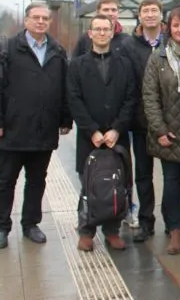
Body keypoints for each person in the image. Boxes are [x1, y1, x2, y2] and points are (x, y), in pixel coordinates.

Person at [0, 2, 72, 249]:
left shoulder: (57, 51)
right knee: (5, 180)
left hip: (44, 129)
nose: (41, 22)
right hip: (12, 129)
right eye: (36, 18)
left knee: (37, 180)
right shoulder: (7, 49)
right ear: (26, 20)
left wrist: (65, 119)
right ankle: (1, 227)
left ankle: (30, 224)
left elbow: (65, 88)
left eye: (45, 18)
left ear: (50, 22)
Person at [67, 14, 136, 251]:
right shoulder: (77, 65)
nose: (102, 33)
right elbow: (74, 100)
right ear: (90, 33)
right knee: (89, 184)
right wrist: (92, 130)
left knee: (117, 183)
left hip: (117, 137)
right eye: (97, 29)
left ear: (112, 32)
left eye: (106, 29)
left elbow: (130, 98)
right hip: (90, 139)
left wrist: (117, 129)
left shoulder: (124, 64)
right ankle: (86, 230)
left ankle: (112, 231)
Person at [141, 7, 180, 254]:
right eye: (175, 25)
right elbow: (150, 96)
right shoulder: (158, 58)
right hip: (170, 132)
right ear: (168, 28)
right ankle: (174, 229)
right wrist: (160, 130)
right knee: (171, 182)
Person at [121, 0, 165, 242]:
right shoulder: (129, 46)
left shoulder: (170, 42)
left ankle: (174, 223)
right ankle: (147, 221)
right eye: (145, 11)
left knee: (172, 176)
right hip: (140, 123)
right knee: (143, 174)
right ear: (139, 16)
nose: (149, 14)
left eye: (154, 10)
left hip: (170, 121)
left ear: (161, 14)